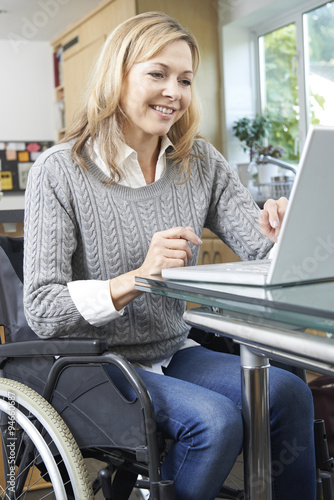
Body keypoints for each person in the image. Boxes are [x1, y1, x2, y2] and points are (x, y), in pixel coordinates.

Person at [24, 11, 316, 500]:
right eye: (157, 74)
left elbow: (264, 252)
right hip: (96, 365)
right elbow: (43, 308)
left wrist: (288, 231)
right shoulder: (59, 171)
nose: (174, 92)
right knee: (215, 424)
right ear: (117, 75)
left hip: (173, 350)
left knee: (288, 392)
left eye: (184, 79)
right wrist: (138, 277)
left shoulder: (199, 162)